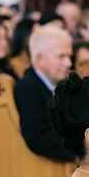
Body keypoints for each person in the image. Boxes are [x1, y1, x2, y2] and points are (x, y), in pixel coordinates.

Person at [13, 24, 78, 162]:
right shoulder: (27, 88)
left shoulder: (61, 83)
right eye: (61, 56)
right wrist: (83, 151)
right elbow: (38, 138)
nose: (68, 63)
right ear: (39, 59)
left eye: (69, 56)